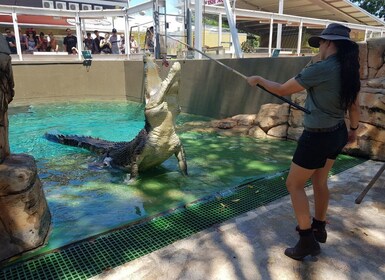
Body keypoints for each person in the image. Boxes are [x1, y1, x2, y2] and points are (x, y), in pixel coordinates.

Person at [246, 23, 360, 261]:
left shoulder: (323, 68)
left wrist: (258, 79)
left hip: (317, 137)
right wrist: (354, 130)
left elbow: (282, 89)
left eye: (320, 43)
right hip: (338, 131)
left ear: (329, 43)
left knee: (294, 185)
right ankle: (319, 226)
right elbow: (354, 105)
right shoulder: (349, 68)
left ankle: (307, 240)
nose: (318, 47)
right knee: (320, 180)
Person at [0, 33, 15, 162]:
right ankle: (4, 153)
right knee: (3, 123)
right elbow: (10, 79)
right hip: (2, 94)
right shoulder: (5, 58)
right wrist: (11, 91)